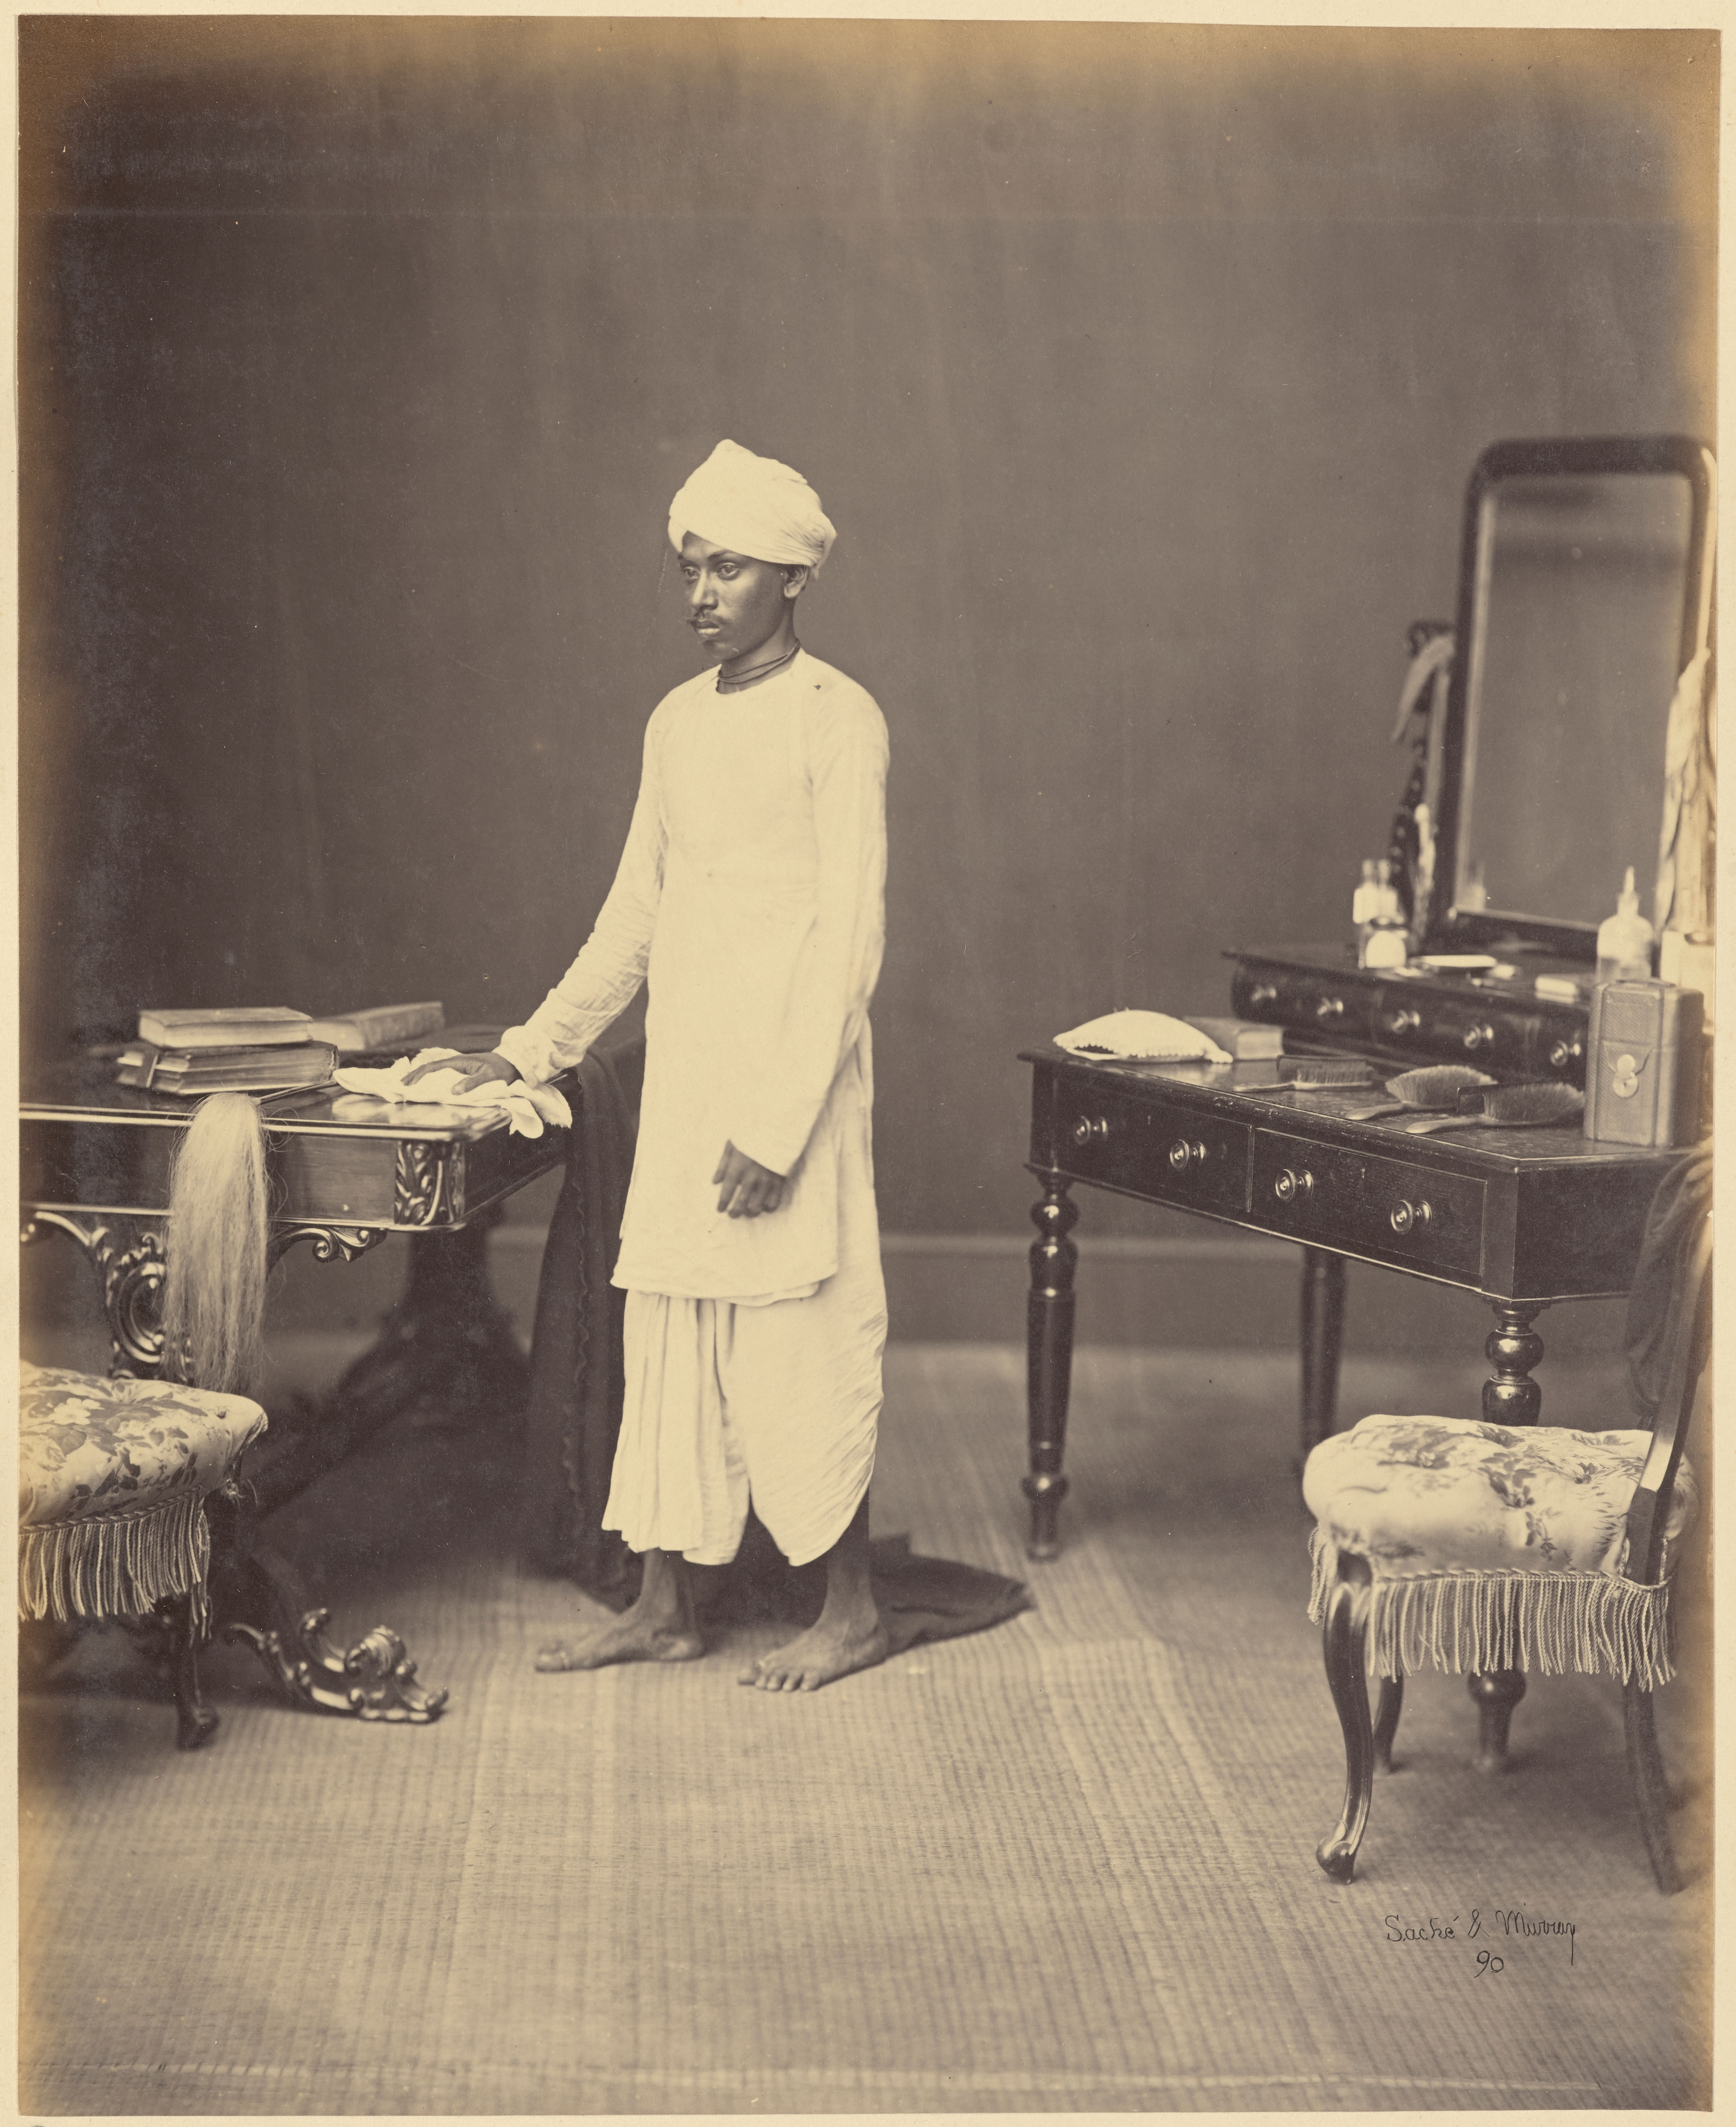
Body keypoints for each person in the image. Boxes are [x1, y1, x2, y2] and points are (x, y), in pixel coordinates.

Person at [413, 440, 890, 1691]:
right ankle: (667, 1601)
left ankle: (852, 1608)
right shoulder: (675, 724)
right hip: (688, 1083)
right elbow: (631, 920)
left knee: (798, 1341)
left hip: (790, 1088)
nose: (700, 591)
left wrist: (780, 1127)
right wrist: (524, 1052)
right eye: (690, 567)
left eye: (727, 566)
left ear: (790, 576)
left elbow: (849, 943)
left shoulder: (842, 720)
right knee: (672, 1337)